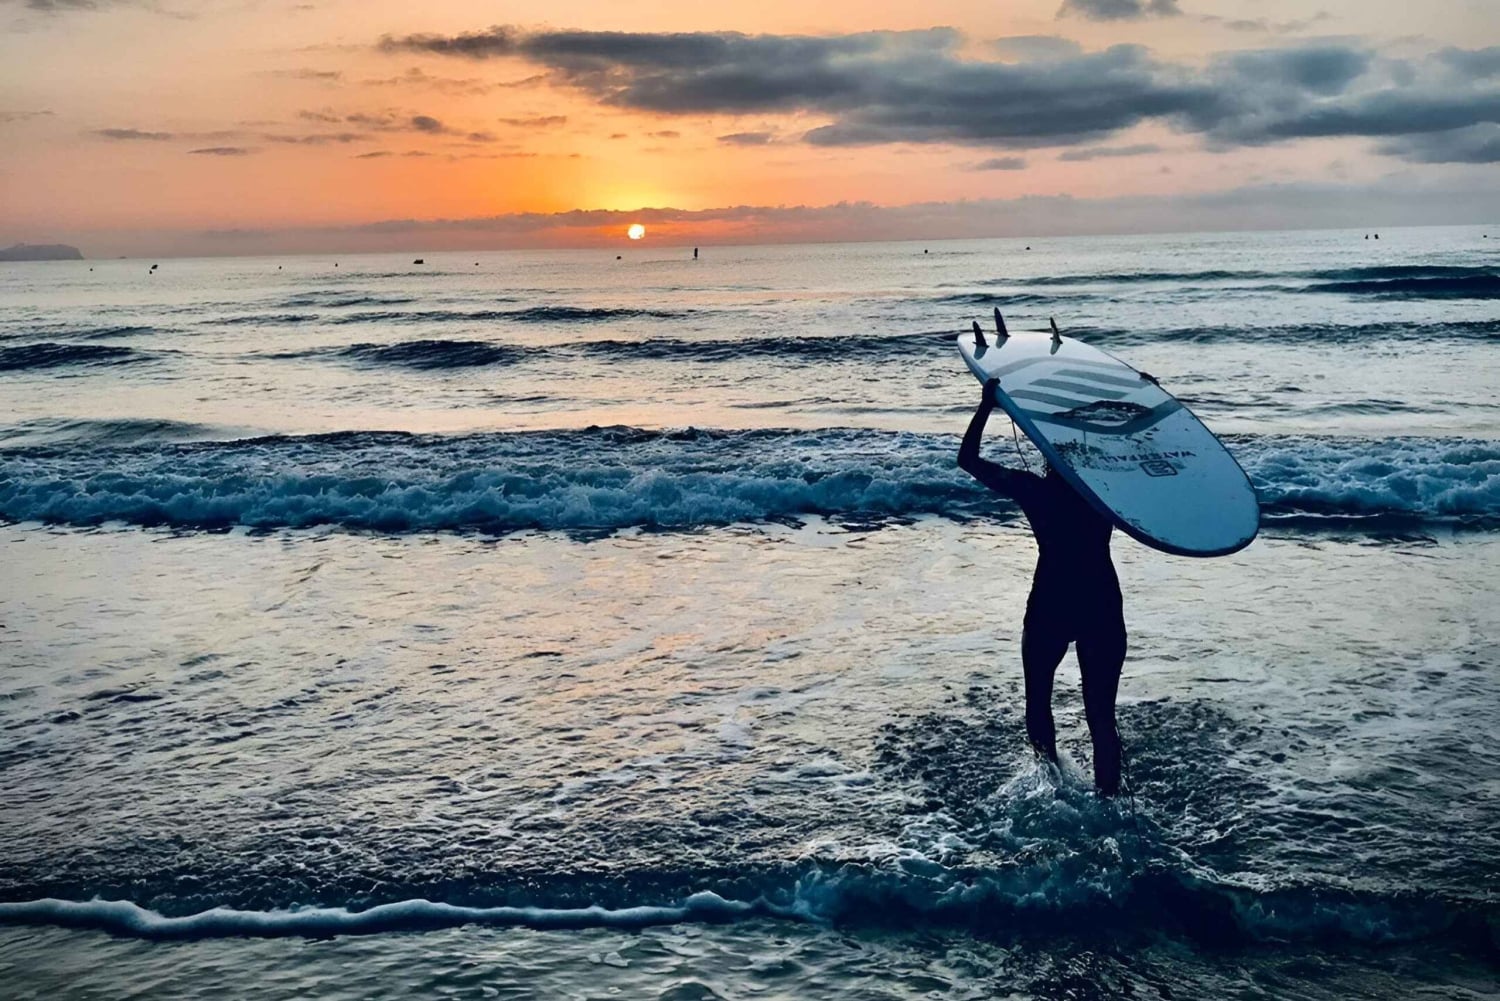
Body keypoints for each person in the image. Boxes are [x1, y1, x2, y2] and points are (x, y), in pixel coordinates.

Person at [958, 377, 1125, 795]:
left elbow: (969, 460)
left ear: (1048, 457)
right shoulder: (1102, 489)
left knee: (1038, 700)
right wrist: (1138, 405)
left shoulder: (1034, 490)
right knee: (1101, 716)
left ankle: (1052, 785)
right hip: (1100, 598)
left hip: (1052, 596)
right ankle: (1109, 801)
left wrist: (986, 407)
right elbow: (1146, 469)